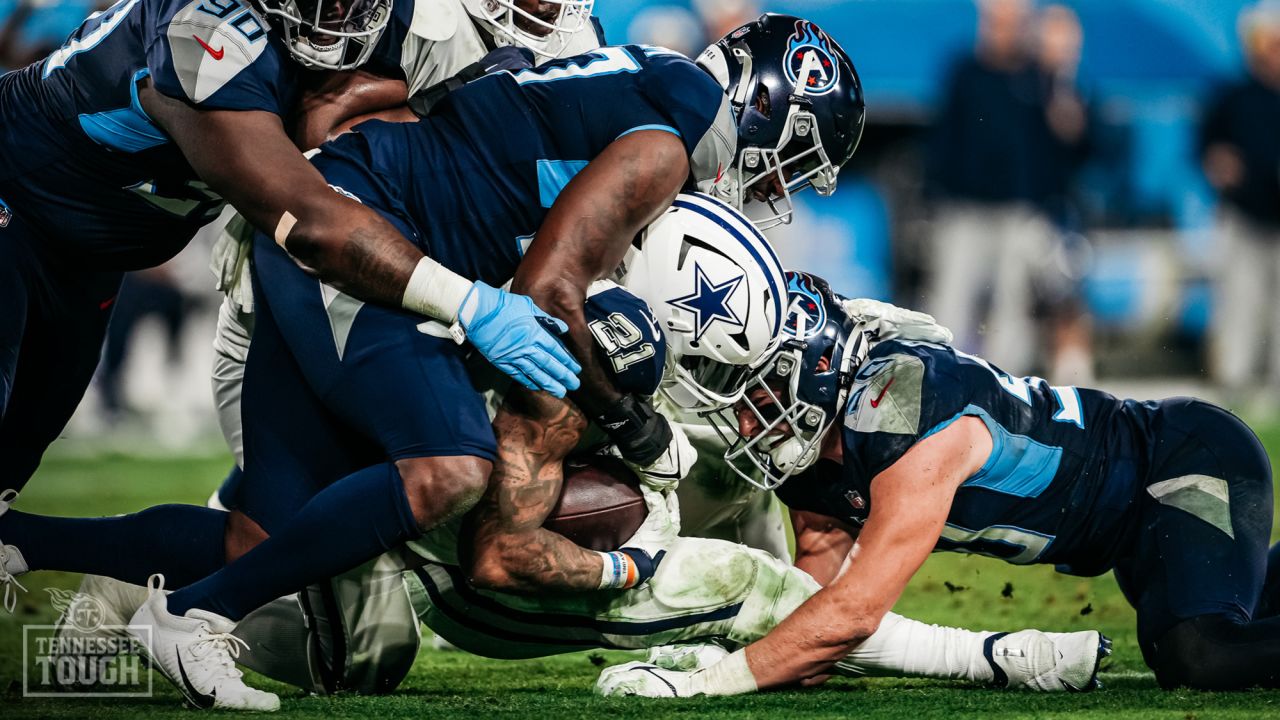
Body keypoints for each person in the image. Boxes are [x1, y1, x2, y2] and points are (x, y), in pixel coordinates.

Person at [55, 209, 1107, 696]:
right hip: (483, 559)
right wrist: (626, 563)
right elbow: (501, 555)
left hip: (391, 488)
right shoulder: (565, 382)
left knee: (258, 543)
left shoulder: (579, 302)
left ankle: (30, 549)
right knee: (737, 577)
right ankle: (976, 657)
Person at [597, 272, 1280, 696]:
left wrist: (704, 688)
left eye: (757, 392)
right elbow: (814, 628)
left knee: (1198, 652)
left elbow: (852, 616)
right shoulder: (812, 457)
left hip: (1182, 461)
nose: (745, 416)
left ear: (815, 370)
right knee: (1218, 617)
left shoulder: (907, 415)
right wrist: (729, 649)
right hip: (1132, 529)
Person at [0, 0, 585, 492]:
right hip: (16, 200)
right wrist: (467, 302)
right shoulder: (202, 25)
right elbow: (309, 219)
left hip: (93, 253)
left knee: (15, 455)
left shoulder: (397, 19)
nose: (339, 9)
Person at [923, 0, 1083, 372]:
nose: (1001, 30)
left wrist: (1062, 72)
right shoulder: (965, 70)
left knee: (1012, 304)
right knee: (952, 299)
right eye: (995, 21)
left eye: (1011, 22)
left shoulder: (1040, 77)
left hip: (1018, 210)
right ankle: (941, 375)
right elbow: (943, 139)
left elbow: (1071, 140)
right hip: (964, 208)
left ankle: (1003, 382)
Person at [1200, 0, 1280, 400]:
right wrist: (1219, 163)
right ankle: (1235, 387)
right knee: (1239, 304)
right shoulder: (1234, 95)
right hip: (1245, 215)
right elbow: (1207, 148)